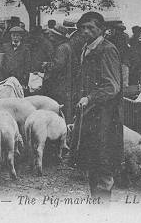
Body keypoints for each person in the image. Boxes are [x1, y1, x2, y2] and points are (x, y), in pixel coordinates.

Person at [74, 12, 124, 202]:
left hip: (106, 117)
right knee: (92, 164)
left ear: (101, 30)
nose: (86, 31)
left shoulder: (107, 50)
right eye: (83, 28)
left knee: (103, 165)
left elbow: (112, 86)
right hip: (91, 116)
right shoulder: (87, 49)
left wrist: (89, 97)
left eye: (91, 28)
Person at [43, 25, 75, 120]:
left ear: (58, 37)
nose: (50, 38)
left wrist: (47, 65)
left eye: (52, 35)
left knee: (59, 108)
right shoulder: (67, 46)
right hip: (66, 83)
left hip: (60, 85)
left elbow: (58, 66)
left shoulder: (61, 48)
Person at [107, 22, 131, 88]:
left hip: (117, 61)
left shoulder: (112, 38)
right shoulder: (126, 36)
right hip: (124, 61)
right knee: (124, 79)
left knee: (117, 78)